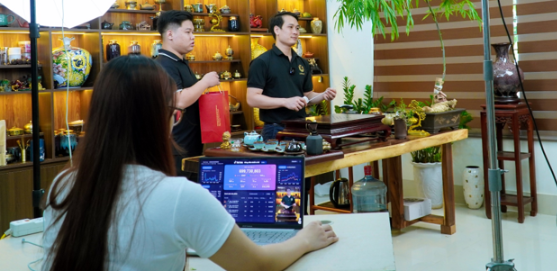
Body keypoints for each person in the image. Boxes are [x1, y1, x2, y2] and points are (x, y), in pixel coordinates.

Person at [42, 55, 338, 271]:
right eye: (176, 112)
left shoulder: (63, 185)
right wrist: (305, 240)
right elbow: (258, 264)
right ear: (161, 119)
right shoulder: (178, 196)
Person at [247, 12, 337, 141]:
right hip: (275, 130)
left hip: (301, 128)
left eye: (297, 28)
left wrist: (323, 95)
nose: (295, 32)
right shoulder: (262, 62)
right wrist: (285, 102)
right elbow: (252, 99)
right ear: (277, 30)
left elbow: (307, 95)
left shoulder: (303, 63)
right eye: (290, 27)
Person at [156, 10, 221, 178]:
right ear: (170, 34)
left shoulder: (180, 62)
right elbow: (178, 100)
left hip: (190, 144)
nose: (193, 37)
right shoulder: (164, 64)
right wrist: (205, 82)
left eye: (193, 32)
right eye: (188, 32)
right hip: (177, 147)